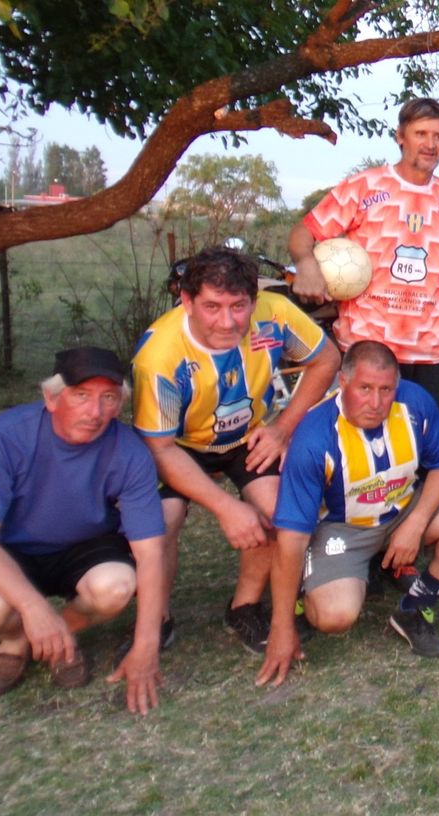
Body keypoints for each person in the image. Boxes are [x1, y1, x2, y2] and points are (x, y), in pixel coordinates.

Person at [132, 247, 340, 654]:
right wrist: (227, 509)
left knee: (281, 511)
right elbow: (157, 448)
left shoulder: (275, 313)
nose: (227, 321)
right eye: (211, 306)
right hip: (179, 445)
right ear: (187, 301)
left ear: (254, 299)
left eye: (238, 306)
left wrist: (282, 429)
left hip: (249, 434)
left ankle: (244, 606)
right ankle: (157, 618)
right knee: (162, 523)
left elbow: (327, 359)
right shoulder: (158, 356)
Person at [258, 342, 439, 683]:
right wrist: (280, 627)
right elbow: (291, 539)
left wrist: (416, 522)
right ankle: (303, 594)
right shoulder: (314, 437)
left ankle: (413, 610)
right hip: (343, 528)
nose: (376, 401)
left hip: (401, 510)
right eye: (365, 388)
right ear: (343, 382)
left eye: (386, 390)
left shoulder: (413, 403)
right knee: (334, 617)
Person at [0, 348, 167, 713]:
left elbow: (150, 553)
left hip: (87, 546)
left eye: (108, 398)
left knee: (115, 587)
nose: (95, 412)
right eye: (81, 395)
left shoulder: (130, 451)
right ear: (51, 398)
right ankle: (17, 639)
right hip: (14, 551)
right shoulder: (5, 436)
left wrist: (145, 644)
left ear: (119, 405)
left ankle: (51, 636)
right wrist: (32, 606)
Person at [288, 97, 439, 413]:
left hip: (429, 349)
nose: (430, 144)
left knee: (421, 451)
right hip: (367, 346)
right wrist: (306, 263)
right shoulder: (365, 186)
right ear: (400, 136)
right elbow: (304, 232)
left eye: (438, 137)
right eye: (420, 134)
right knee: (360, 450)